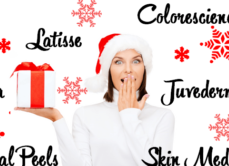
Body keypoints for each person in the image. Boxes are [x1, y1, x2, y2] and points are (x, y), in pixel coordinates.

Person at [14, 34, 175, 166]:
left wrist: (129, 115)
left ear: (144, 68)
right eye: (118, 62)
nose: (128, 69)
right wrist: (56, 118)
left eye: (136, 61)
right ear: (108, 70)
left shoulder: (162, 116)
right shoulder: (85, 115)